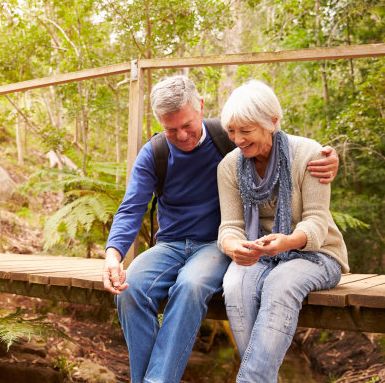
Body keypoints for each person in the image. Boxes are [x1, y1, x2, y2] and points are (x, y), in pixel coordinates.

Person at [102, 74, 340, 383]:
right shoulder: (155, 152)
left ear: (200, 106)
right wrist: (112, 256)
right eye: (170, 129)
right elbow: (131, 207)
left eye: (187, 124)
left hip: (215, 245)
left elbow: (275, 140)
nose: (182, 135)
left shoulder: (227, 137)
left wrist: (329, 156)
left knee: (190, 286)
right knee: (130, 288)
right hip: (170, 244)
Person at [217, 80, 349, 383]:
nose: (237, 139)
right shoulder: (229, 166)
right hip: (259, 256)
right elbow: (230, 226)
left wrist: (288, 241)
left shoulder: (310, 155)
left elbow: (316, 220)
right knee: (235, 283)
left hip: (315, 254)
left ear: (273, 122)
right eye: (232, 131)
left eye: (245, 131)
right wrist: (232, 246)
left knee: (278, 283)